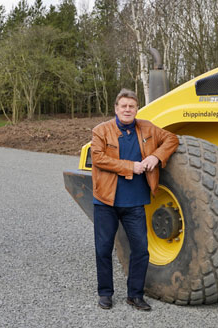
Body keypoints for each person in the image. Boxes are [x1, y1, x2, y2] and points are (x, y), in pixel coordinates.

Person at [91, 88, 178, 311]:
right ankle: (105, 293)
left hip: (135, 202)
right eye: (124, 106)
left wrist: (155, 156)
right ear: (116, 109)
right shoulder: (101, 131)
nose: (127, 110)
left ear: (136, 109)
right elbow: (98, 158)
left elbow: (171, 138)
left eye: (132, 106)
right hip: (106, 202)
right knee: (103, 249)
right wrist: (130, 166)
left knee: (141, 250)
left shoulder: (147, 128)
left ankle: (135, 295)